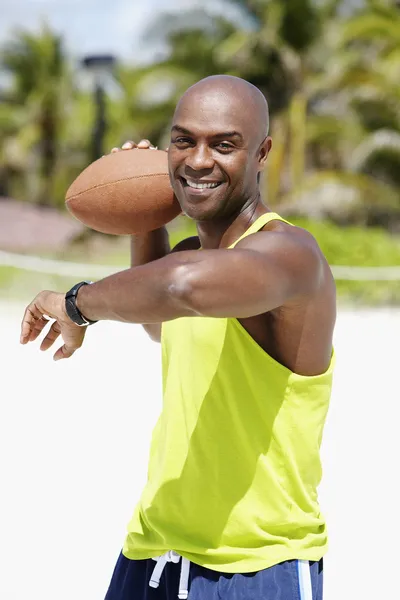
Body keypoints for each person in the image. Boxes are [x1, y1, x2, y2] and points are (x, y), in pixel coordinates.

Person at [20, 75, 336, 600]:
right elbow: (159, 322)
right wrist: (147, 215)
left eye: (224, 144)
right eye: (184, 140)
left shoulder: (290, 256)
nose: (197, 160)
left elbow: (185, 287)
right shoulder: (192, 251)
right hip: (153, 553)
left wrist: (76, 304)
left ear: (263, 153)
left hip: (257, 565)